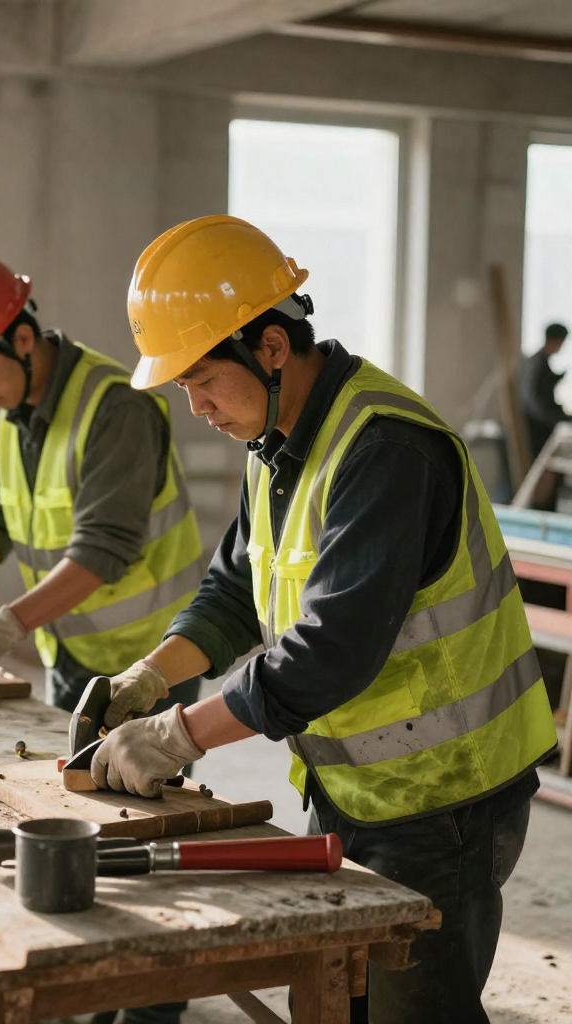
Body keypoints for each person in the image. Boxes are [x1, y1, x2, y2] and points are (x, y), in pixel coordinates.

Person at [88, 215, 557, 1024]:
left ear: (271, 346)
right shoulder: (275, 439)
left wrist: (180, 734)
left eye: (202, 379)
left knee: (417, 1012)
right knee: (348, 1000)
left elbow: (330, 652)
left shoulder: (384, 449)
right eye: (181, 389)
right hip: (357, 786)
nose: (195, 407)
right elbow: (237, 588)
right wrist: (151, 676)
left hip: (447, 801)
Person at [0, 252, 206, 1024]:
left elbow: (105, 547)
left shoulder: (116, 405)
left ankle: (151, 1003)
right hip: (73, 656)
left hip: (153, 665)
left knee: (141, 842)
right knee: (76, 828)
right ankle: (96, 984)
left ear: (23, 338)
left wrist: (4, 624)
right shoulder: (3, 409)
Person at [519, 321, 570, 458]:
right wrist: (550, 418)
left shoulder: (541, 362)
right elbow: (532, 397)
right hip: (536, 426)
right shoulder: (536, 363)